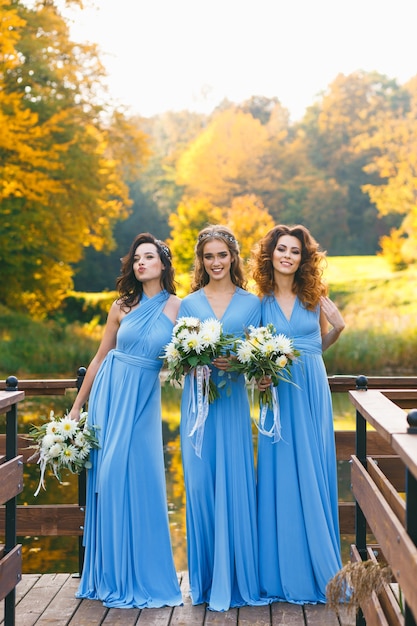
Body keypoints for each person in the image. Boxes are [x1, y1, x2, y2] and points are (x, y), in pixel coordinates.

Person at [68, 233, 183, 609]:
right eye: (137, 258)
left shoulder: (178, 307)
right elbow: (101, 357)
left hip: (145, 398)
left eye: (148, 257)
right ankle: (110, 573)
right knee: (111, 477)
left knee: (143, 478)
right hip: (112, 393)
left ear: (163, 265)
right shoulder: (122, 306)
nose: (141, 263)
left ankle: (145, 573)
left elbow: (190, 354)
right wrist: (77, 408)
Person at [251, 224, 345, 605]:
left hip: (310, 390)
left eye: (294, 251)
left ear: (302, 259)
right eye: (281, 249)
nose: (287, 255)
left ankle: (318, 568)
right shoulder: (260, 303)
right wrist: (259, 377)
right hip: (276, 393)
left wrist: (338, 329)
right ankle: (278, 572)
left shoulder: (313, 297)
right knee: (277, 474)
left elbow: (316, 346)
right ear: (270, 255)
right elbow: (254, 355)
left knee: (311, 467)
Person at [179, 225, 267, 612]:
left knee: (233, 484)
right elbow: (177, 359)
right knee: (199, 487)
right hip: (197, 405)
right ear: (201, 260)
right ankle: (205, 581)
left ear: (233, 257)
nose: (215, 262)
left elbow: (260, 359)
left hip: (231, 404)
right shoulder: (188, 304)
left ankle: (236, 579)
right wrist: (192, 360)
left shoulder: (251, 304)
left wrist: (240, 364)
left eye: (222, 255)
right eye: (208, 256)